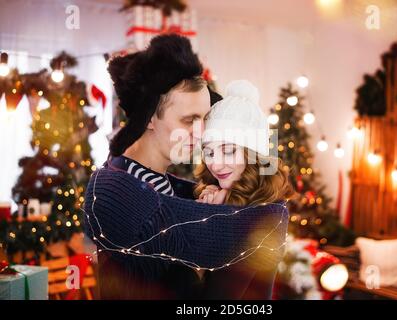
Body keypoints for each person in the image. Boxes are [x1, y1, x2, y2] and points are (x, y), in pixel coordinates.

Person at [84, 34, 290, 300]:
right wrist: (226, 215)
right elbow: (261, 222)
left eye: (204, 118)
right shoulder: (115, 189)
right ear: (148, 118)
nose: (201, 132)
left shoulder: (167, 185)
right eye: (189, 119)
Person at [193, 80, 295, 298]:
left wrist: (210, 220)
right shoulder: (223, 196)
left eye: (228, 151)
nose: (216, 164)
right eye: (209, 152)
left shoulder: (262, 215)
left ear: (253, 154)